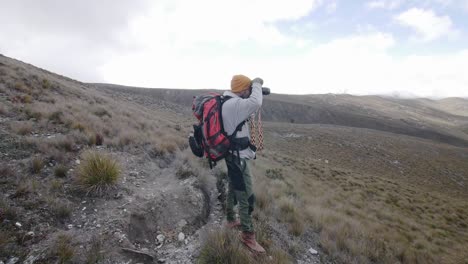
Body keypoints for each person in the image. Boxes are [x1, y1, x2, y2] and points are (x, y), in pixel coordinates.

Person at [222, 74, 265, 253]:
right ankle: (248, 235)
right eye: (248, 89)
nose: (250, 92)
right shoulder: (236, 104)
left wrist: (252, 88)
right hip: (238, 157)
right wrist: (257, 83)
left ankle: (231, 218)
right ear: (243, 89)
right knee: (246, 195)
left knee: (234, 185)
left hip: (232, 155)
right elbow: (256, 102)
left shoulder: (228, 102)